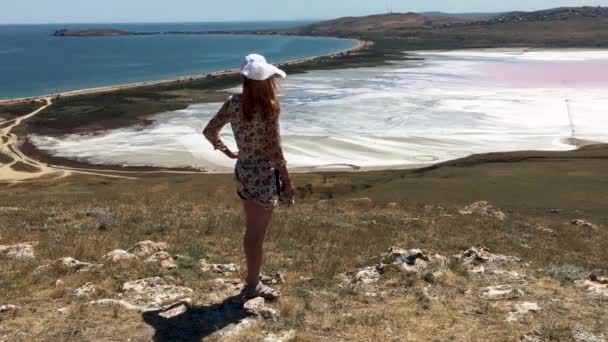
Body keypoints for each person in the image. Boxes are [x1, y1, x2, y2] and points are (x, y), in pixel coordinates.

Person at [203, 54, 294, 300]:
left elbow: (209, 130)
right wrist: (286, 179)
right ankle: (253, 285)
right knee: (256, 234)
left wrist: (227, 151)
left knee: (251, 230)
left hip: (243, 172)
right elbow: (274, 147)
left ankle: (253, 277)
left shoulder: (233, 103)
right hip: (264, 176)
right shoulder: (270, 107)